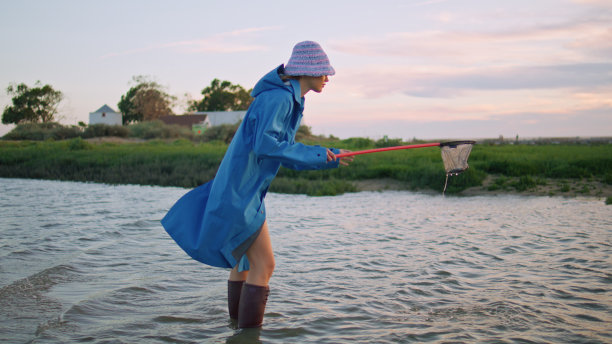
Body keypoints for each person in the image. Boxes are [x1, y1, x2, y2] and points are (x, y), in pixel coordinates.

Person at [161, 41, 352, 328]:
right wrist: (318, 154)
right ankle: (248, 336)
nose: (328, 77)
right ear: (307, 71)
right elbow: (267, 146)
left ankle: (236, 331)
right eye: (324, 71)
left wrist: (327, 156)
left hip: (242, 190)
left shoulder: (285, 97)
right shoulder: (280, 99)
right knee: (265, 265)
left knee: (244, 264)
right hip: (242, 195)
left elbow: (280, 149)